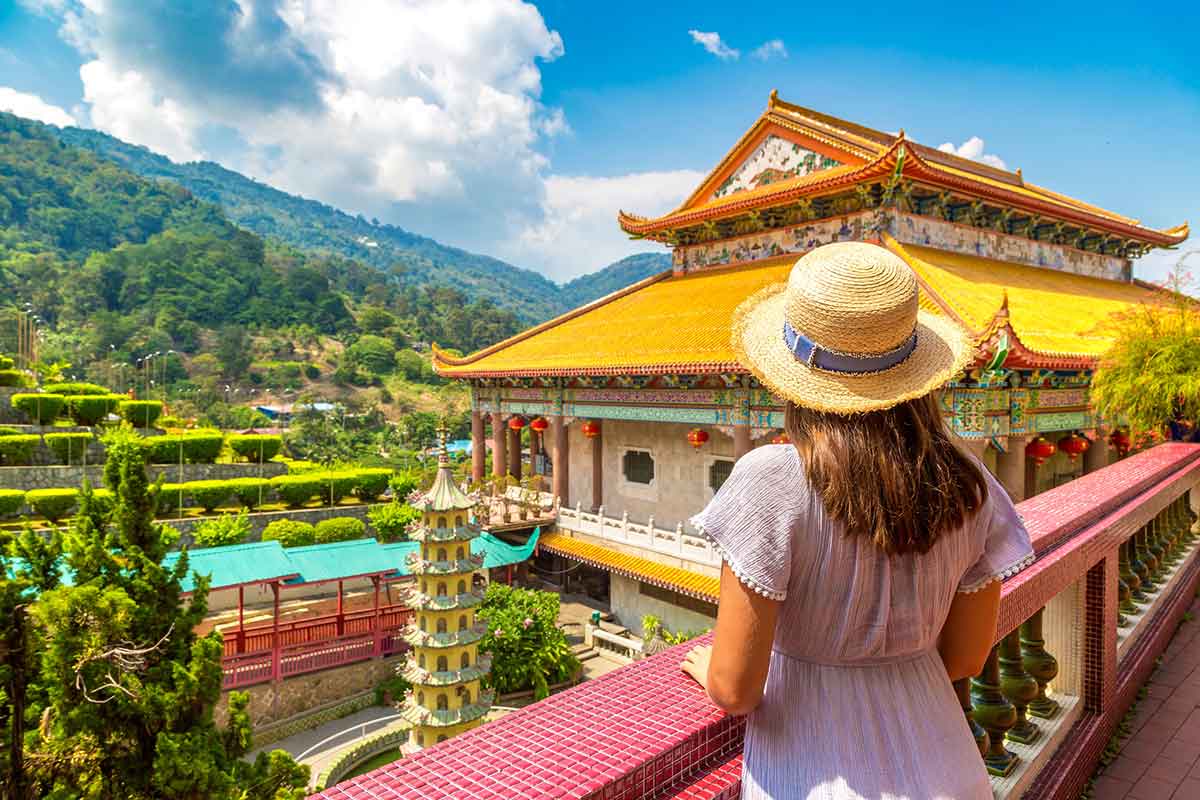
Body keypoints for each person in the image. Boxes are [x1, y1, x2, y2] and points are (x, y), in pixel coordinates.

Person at [681, 242, 1033, 799]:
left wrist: (708, 672)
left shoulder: (773, 480)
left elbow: (735, 689)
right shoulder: (967, 482)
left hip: (814, 768)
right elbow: (966, 657)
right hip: (946, 763)